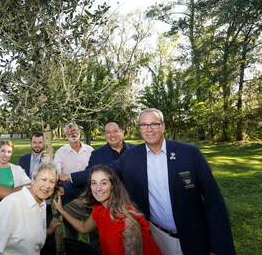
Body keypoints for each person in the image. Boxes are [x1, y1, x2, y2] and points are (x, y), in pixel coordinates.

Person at [68, 108, 236, 254]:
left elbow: (214, 202)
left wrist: (219, 247)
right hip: (158, 236)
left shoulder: (190, 153)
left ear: (162, 126)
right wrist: (68, 178)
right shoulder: (133, 156)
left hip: (195, 237)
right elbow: (105, 172)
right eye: (143, 125)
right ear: (139, 129)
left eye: (154, 124)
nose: (149, 129)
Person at [55, 164, 162, 255]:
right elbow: (84, 228)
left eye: (104, 183)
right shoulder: (100, 209)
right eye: (94, 183)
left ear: (113, 185)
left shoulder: (127, 220)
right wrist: (61, 210)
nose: (98, 188)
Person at [0, 160, 61, 255]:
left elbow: (29, 235)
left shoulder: (42, 203)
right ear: (33, 179)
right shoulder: (11, 204)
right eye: (43, 179)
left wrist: (49, 229)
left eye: (52, 181)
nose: (47, 185)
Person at [60, 120, 135, 199]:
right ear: (105, 135)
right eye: (108, 132)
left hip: (136, 200)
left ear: (122, 132)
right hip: (110, 202)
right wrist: (66, 190)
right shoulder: (97, 155)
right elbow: (89, 177)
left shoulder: (135, 150)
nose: (112, 135)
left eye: (115, 131)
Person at [53, 122, 96, 246]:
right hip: (71, 199)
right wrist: (58, 175)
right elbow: (56, 170)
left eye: (74, 130)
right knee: (71, 235)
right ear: (66, 135)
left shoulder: (89, 150)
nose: (72, 133)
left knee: (95, 233)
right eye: (69, 132)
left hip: (91, 196)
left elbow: (95, 170)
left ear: (80, 132)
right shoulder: (61, 152)